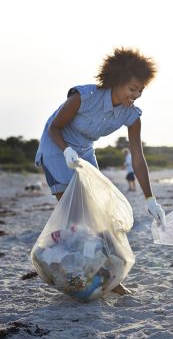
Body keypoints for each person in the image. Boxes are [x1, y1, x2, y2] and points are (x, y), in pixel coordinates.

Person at [35, 47, 165, 295]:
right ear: (117, 82)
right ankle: (68, 270)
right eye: (132, 88)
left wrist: (151, 199)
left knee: (98, 214)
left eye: (140, 90)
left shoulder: (132, 115)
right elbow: (54, 127)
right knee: (75, 217)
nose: (136, 94)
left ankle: (107, 277)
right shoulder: (84, 97)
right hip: (56, 145)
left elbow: (137, 157)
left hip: (84, 150)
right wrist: (65, 151)